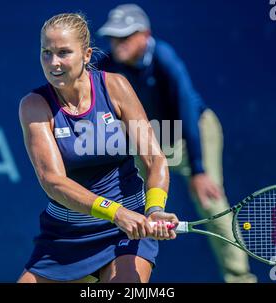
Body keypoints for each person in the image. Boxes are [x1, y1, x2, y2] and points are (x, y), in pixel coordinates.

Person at [97, 4, 257, 283]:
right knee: (126, 205)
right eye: (114, 37)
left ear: (144, 35)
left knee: (211, 203)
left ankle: (240, 279)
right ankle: (110, 277)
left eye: (125, 36)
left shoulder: (164, 58)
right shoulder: (107, 67)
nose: (117, 44)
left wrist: (198, 169)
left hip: (192, 132)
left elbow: (187, 112)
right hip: (151, 136)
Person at [17, 13, 179, 283]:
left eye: (64, 53)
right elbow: (53, 181)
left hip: (126, 233)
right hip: (66, 234)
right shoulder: (34, 105)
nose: (53, 62)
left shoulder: (115, 87)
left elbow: (154, 158)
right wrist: (114, 212)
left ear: (87, 54)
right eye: (46, 52)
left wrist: (153, 209)